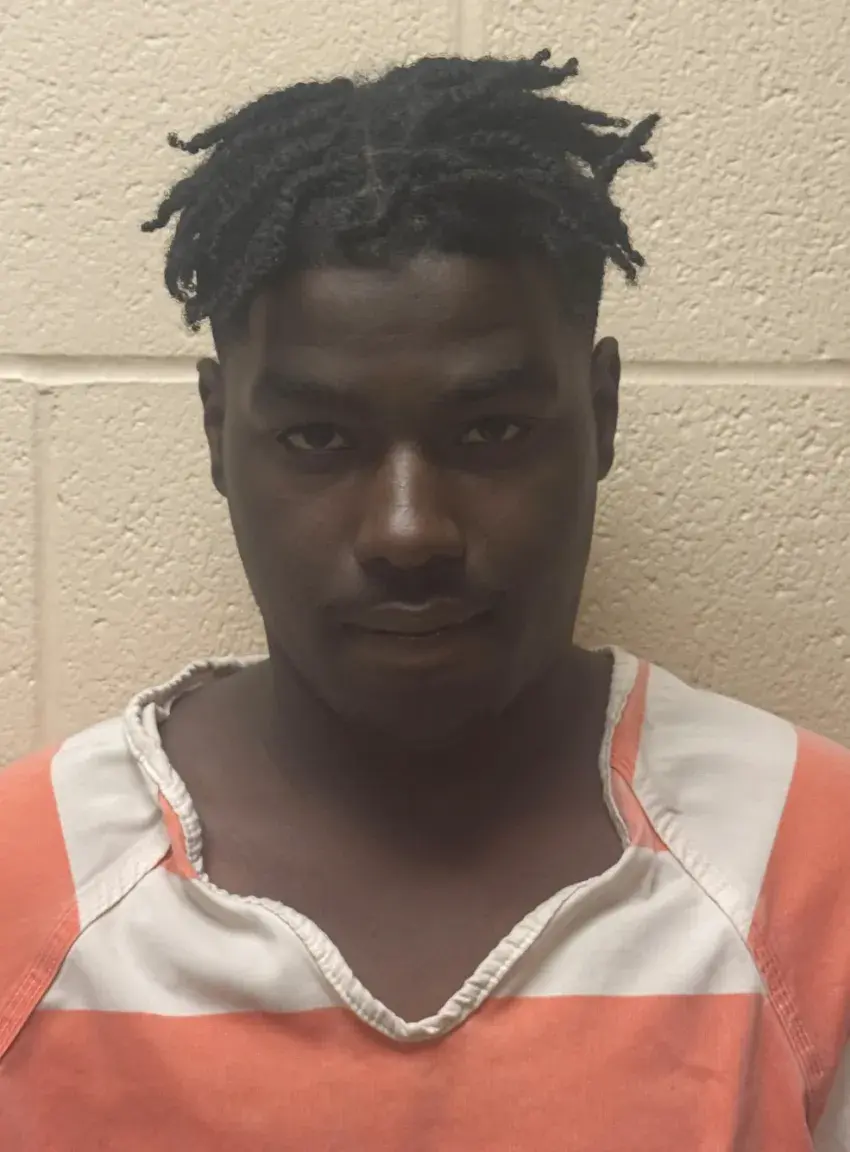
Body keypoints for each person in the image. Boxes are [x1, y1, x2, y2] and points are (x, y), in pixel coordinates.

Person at [0, 49, 847, 1151]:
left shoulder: (814, 864)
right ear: (217, 433)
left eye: (490, 431)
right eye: (318, 437)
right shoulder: (24, 885)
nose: (408, 531)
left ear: (601, 414)